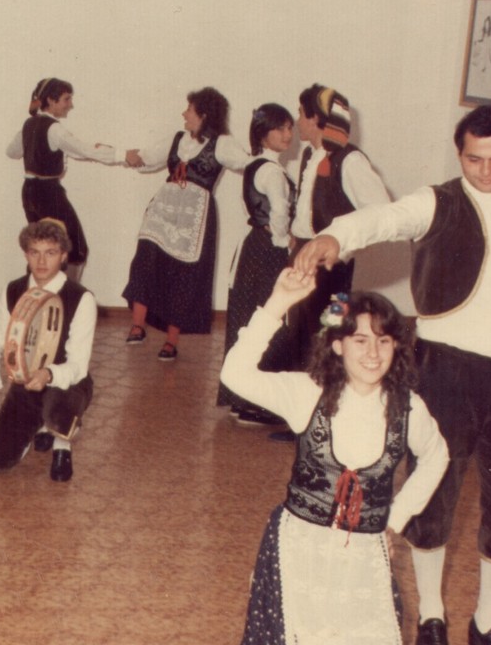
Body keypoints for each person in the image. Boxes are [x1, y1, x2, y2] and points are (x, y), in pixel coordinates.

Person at [294, 104, 491, 645]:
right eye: (474, 159)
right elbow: (383, 219)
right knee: (433, 497)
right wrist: (333, 237)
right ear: (459, 154)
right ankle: (432, 614)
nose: (486, 171)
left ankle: (488, 622)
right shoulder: (436, 203)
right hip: (445, 372)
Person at [222, 268, 448, 645]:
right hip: (299, 544)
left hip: (364, 548)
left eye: (384, 341)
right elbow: (234, 375)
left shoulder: (408, 408)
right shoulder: (308, 392)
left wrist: (395, 519)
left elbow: (437, 455)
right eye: (360, 340)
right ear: (338, 345)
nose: (373, 353)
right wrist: (277, 302)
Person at [122, 87, 249, 358]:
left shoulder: (222, 143)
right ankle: (137, 325)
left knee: (183, 273)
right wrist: (130, 157)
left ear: (204, 115)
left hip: (195, 215)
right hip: (164, 208)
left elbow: (247, 164)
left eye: (189, 109)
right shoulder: (176, 138)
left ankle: (171, 340)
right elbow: (147, 157)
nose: (184, 114)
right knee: (145, 258)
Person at [0, 219, 96, 483]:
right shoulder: (13, 290)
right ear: (26, 254)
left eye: (50, 253)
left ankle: (62, 444)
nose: (41, 261)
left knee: (58, 413)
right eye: (34, 252)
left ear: (63, 256)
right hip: (27, 383)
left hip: (67, 383)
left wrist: (48, 374)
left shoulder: (81, 298)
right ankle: (38, 428)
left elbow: (78, 365)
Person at [285, 84, 390, 357]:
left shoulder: (350, 159)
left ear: (315, 118)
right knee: (299, 333)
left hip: (332, 267)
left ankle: (326, 381)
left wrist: (344, 247)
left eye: (301, 113)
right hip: (303, 257)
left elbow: (381, 211)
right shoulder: (309, 155)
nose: (297, 121)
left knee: (329, 331)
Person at [216, 103, 296, 426]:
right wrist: (285, 240)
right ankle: (257, 404)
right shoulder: (272, 171)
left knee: (249, 316)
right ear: (263, 133)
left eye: (289, 128)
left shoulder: (254, 165)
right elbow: (279, 211)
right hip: (268, 250)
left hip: (254, 247)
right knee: (268, 317)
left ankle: (242, 400)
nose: (287, 134)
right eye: (280, 128)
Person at [5, 78, 124, 273]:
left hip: (28, 192)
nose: (70, 105)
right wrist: (123, 156)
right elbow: (85, 151)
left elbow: (12, 152)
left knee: (42, 247)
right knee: (74, 249)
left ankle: (41, 290)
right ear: (51, 100)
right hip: (48, 193)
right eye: (66, 99)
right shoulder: (54, 128)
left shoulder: (28, 124)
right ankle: (66, 292)